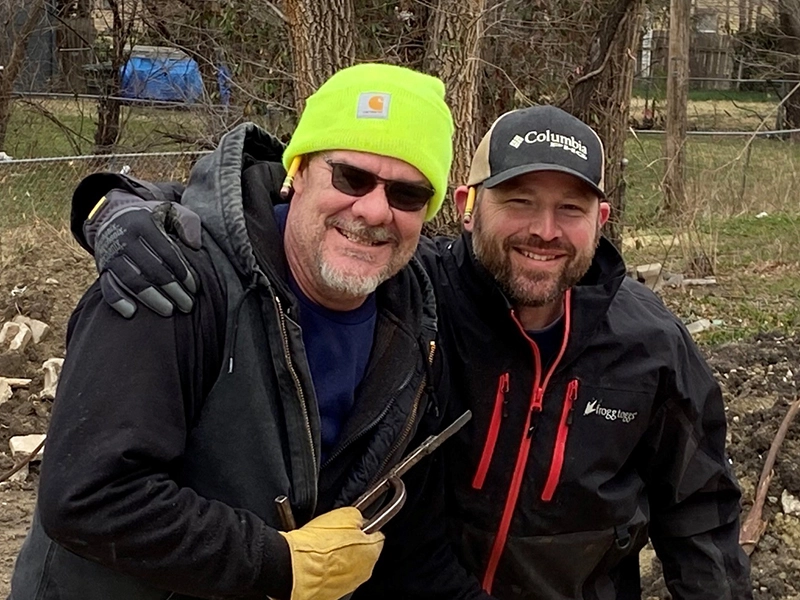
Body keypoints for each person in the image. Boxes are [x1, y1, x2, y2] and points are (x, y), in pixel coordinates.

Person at [59, 105, 753, 600]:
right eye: (517, 200)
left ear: (601, 221)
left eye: (571, 209)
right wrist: (116, 208)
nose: (544, 230)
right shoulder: (416, 299)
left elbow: (701, 511)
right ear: (466, 205)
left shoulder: (651, 346)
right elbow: (233, 221)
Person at [9, 63, 488, 600]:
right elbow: (88, 496)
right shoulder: (167, 277)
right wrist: (276, 563)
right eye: (350, 177)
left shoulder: (410, 324)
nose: (374, 209)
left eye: (407, 194)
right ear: (298, 170)